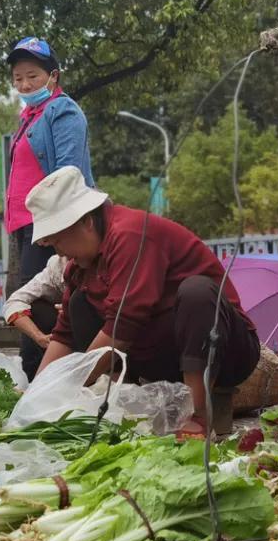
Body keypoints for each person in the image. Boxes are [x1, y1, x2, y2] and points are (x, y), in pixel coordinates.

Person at [31, 167, 260, 435]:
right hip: (163, 354)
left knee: (197, 292)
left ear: (86, 223)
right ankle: (123, 403)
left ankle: (197, 415)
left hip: (224, 349)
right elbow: (65, 334)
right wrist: (36, 393)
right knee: (79, 304)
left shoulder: (130, 235)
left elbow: (124, 324)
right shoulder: (79, 268)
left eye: (58, 241)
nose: (58, 251)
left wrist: (76, 382)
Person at [4, 36, 94, 287]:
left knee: (40, 299)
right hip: (26, 223)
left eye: (32, 76)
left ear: (53, 76)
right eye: (18, 78)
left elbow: (68, 173)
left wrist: (54, 227)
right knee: (31, 297)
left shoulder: (62, 110)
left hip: (48, 222)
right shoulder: (29, 117)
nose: (24, 85)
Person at [3, 254, 68, 380]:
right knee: (36, 307)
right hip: (66, 334)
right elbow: (13, 302)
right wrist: (39, 337)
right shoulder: (57, 265)